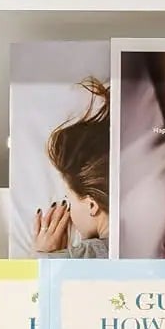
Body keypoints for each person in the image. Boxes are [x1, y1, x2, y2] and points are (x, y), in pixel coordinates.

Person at [32, 77, 110, 258]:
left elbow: (40, 287)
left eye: (69, 200)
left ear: (92, 205)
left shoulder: (76, 259)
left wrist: (45, 257)